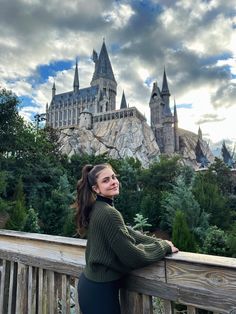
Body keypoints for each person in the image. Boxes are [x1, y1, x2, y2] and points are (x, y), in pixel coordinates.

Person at [76, 163, 178, 314]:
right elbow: (133, 256)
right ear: (95, 189)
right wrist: (163, 248)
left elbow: (128, 233)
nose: (113, 181)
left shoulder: (100, 208)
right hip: (100, 292)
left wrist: (159, 241)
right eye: (106, 180)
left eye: (113, 177)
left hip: (91, 285)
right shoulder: (108, 213)